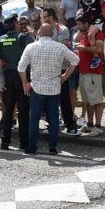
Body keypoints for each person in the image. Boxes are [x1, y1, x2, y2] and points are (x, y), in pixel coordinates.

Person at [18, 23, 79, 155]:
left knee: (34, 118)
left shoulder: (31, 47)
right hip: (54, 87)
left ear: (39, 32)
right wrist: (65, 76)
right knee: (54, 118)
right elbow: (75, 60)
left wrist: (25, 83)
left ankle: (32, 147)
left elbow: (21, 67)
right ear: (52, 34)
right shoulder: (60, 47)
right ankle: (52, 147)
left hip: (37, 87)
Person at [0, 14, 33, 149]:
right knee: (23, 111)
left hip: (8, 77)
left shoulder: (1, 39)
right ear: (15, 24)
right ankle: (24, 142)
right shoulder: (23, 37)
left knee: (8, 111)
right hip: (22, 77)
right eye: (18, 22)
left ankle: (5, 141)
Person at [42, 7, 79, 136]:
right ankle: (51, 123)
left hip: (60, 68)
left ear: (51, 17)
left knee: (64, 98)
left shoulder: (61, 29)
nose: (44, 19)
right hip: (47, 68)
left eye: (46, 16)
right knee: (48, 98)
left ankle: (70, 124)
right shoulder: (42, 30)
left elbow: (62, 49)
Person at [75, 15, 105, 136]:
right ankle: (90, 124)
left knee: (96, 100)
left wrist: (84, 48)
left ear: (87, 24)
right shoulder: (83, 34)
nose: (78, 27)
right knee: (87, 100)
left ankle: (98, 126)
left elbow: (99, 49)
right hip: (84, 71)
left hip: (93, 72)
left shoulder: (97, 33)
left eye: (80, 24)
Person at [75, 0, 105, 68]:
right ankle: (77, 54)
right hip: (87, 19)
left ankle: (96, 56)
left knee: (91, 34)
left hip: (97, 18)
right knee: (77, 38)